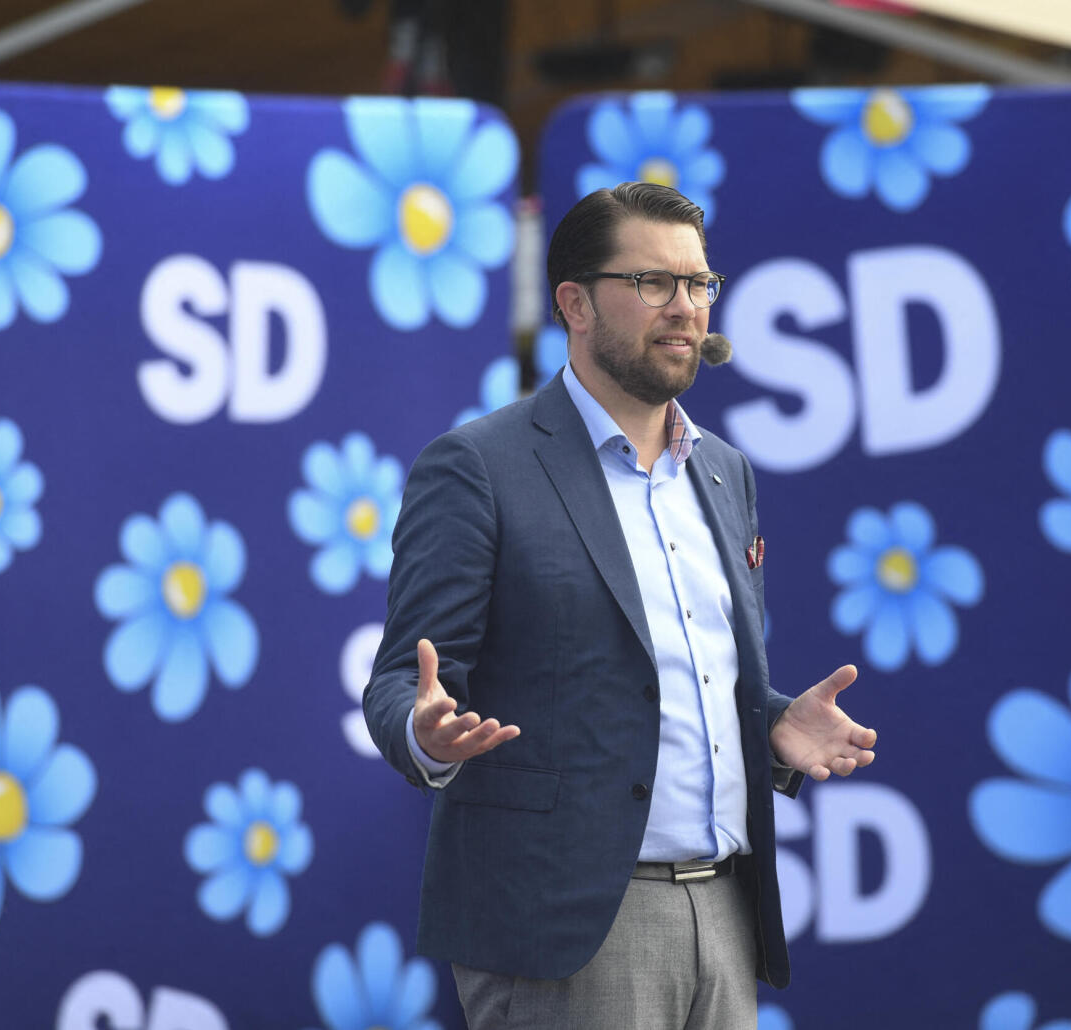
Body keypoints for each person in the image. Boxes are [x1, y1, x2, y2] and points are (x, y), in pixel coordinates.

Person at [364, 181, 877, 1030]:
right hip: (566, 923)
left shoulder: (723, 471)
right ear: (572, 303)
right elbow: (401, 681)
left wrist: (771, 723)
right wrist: (426, 734)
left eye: (699, 284)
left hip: (725, 910)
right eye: (651, 283)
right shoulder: (477, 466)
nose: (684, 309)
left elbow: (671, 675)